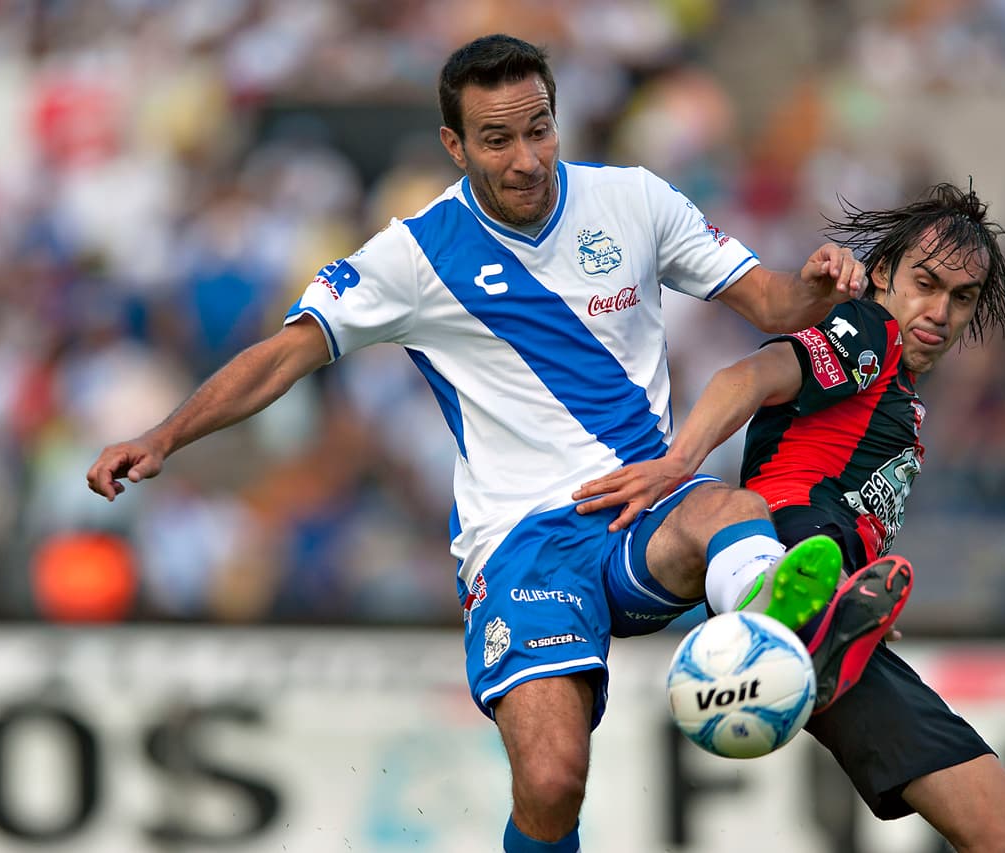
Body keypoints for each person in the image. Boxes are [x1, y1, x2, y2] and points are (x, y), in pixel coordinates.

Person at [85, 34, 910, 853]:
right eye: (497, 138)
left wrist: (818, 282)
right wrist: (165, 435)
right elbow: (284, 355)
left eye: (540, 129)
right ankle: (776, 632)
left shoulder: (635, 201)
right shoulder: (415, 255)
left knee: (728, 507)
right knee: (552, 781)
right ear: (455, 144)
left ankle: (787, 640)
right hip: (523, 546)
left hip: (639, 505)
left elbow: (771, 305)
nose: (526, 157)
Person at [575, 183, 1005, 851]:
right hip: (787, 541)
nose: (939, 310)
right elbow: (754, 373)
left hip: (814, 584)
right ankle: (800, 611)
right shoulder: (870, 331)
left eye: (961, 297)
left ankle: (826, 618)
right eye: (926, 282)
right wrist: (677, 462)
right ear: (883, 272)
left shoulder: (900, 394)